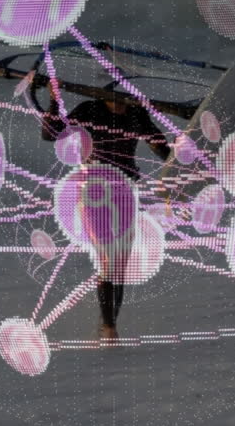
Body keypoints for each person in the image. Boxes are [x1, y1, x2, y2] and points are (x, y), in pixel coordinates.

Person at [38, 71, 172, 341]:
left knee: (119, 264)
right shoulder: (91, 108)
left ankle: (110, 324)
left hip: (125, 191)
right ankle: (109, 329)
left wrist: (185, 148)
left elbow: (162, 151)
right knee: (108, 259)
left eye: (127, 98)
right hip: (94, 190)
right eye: (119, 98)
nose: (123, 105)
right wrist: (54, 100)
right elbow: (49, 134)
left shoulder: (136, 114)